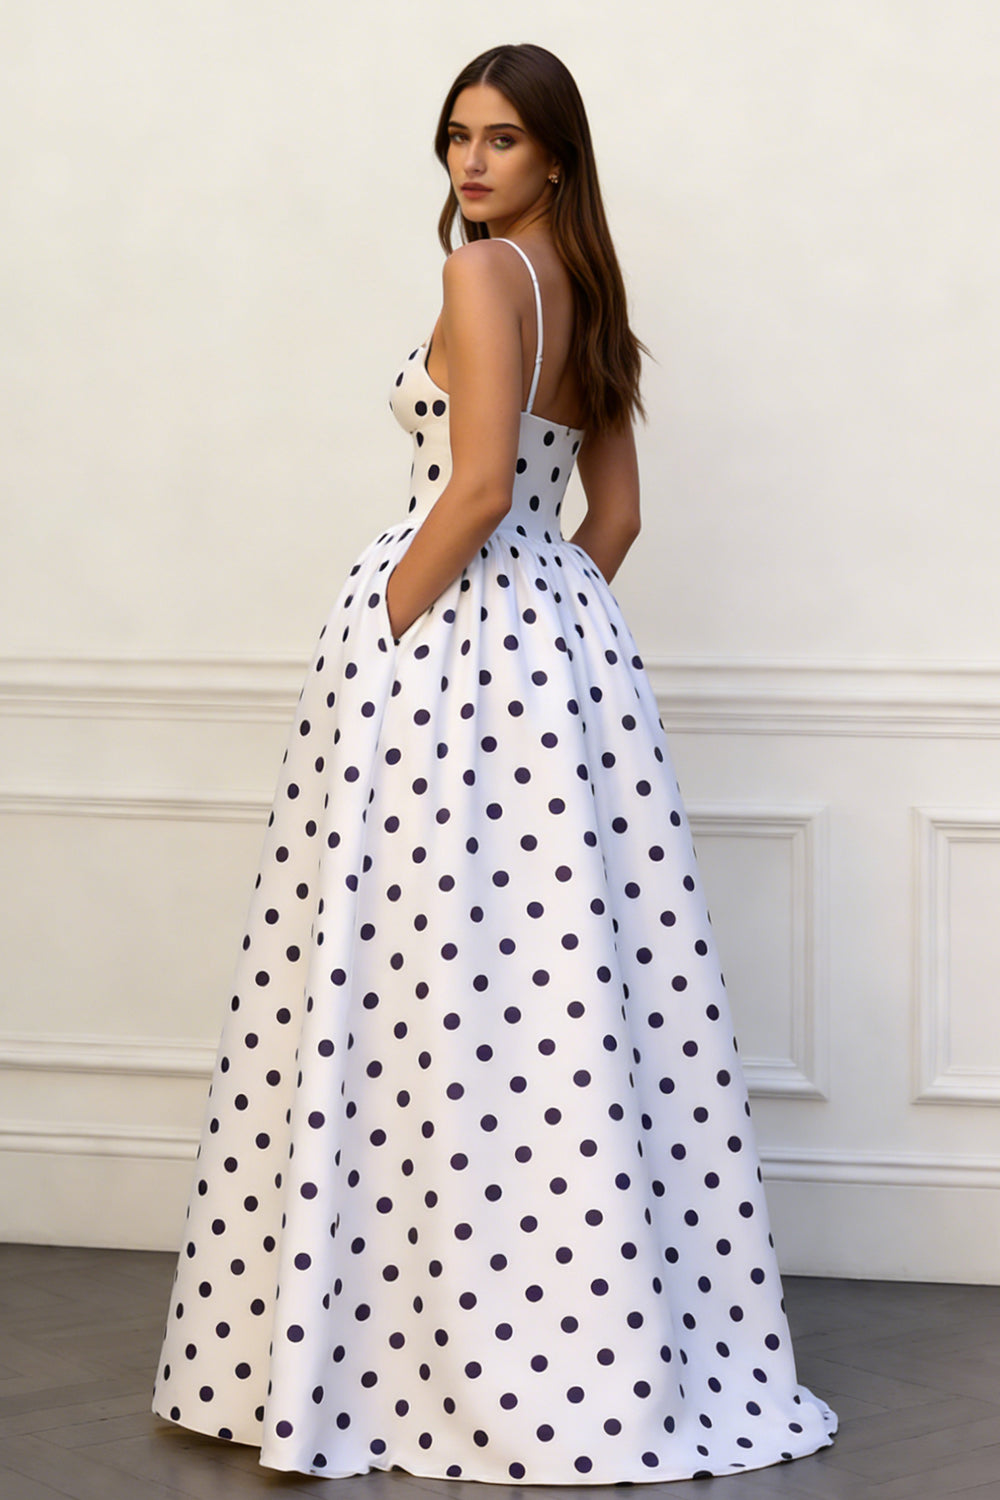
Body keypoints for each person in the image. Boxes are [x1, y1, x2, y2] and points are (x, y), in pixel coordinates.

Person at [152, 42, 837, 1484]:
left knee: (410, 986)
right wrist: (547, 639)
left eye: (505, 139)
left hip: (443, 647)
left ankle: (395, 1354)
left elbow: (469, 490)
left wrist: (397, 626)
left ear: (557, 160)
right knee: (545, 1001)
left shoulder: (480, 281)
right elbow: (617, 516)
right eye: (457, 137)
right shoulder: (591, 296)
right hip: (548, 660)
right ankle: (557, 1344)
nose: (472, 163)